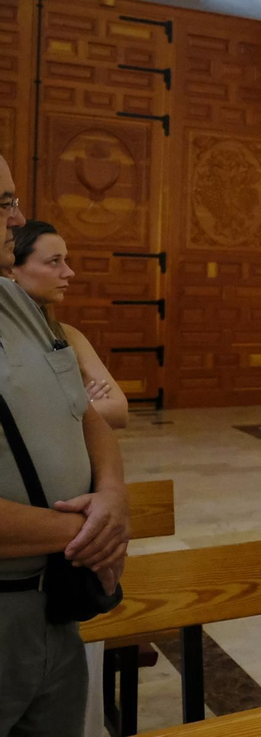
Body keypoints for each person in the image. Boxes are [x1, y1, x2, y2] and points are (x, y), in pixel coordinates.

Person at [0, 155, 129, 737]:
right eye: (3, 204)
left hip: (55, 602)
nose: (17, 217)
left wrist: (113, 493)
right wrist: (92, 533)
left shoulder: (20, 308)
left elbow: (85, 412)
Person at [7, 222, 130, 430]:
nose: (69, 272)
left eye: (65, 260)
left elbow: (118, 410)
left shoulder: (66, 335)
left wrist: (65, 411)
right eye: (54, 261)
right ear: (11, 269)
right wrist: (78, 404)